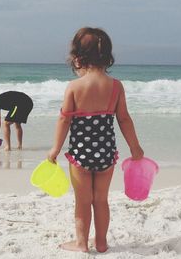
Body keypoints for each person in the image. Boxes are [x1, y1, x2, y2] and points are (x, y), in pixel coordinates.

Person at [47, 27, 144, 253]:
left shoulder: (74, 87)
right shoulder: (116, 86)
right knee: (101, 200)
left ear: (77, 58)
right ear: (107, 57)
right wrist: (135, 147)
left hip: (80, 156)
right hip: (106, 154)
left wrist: (54, 149)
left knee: (82, 201)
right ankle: (101, 243)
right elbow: (124, 119)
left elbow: (64, 121)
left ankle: (82, 243)